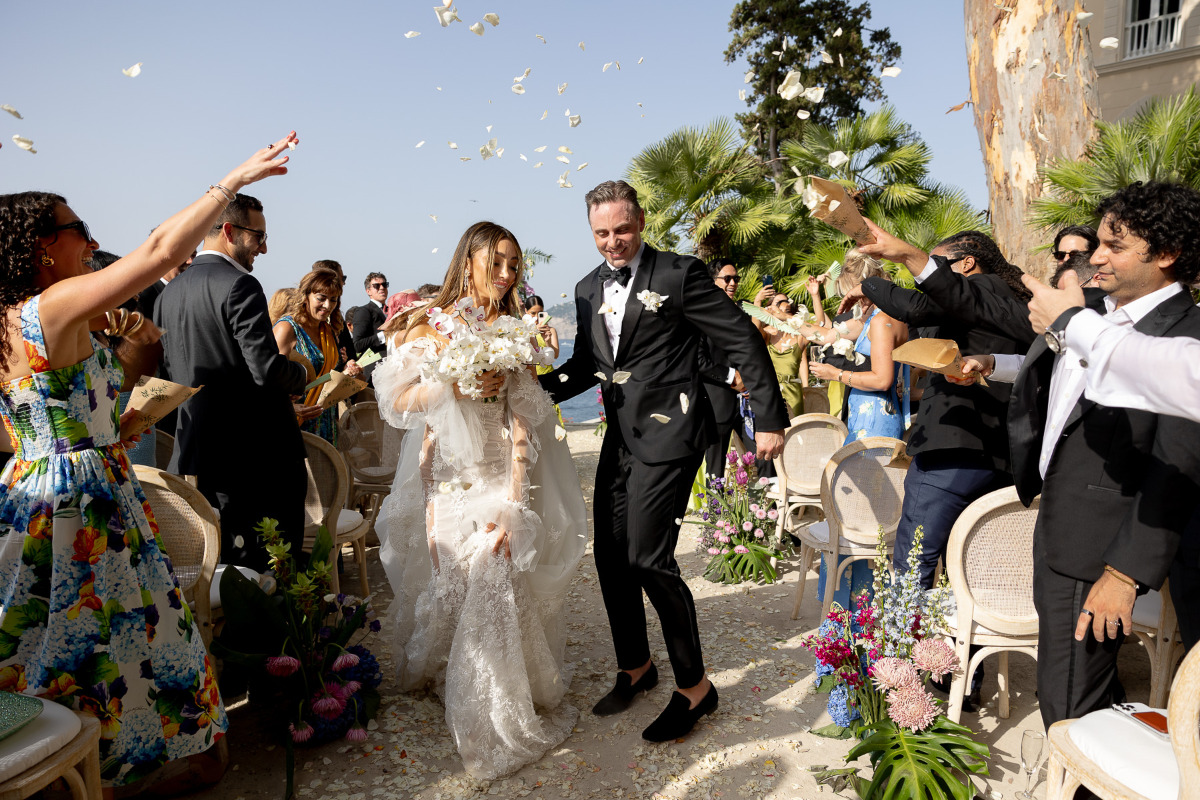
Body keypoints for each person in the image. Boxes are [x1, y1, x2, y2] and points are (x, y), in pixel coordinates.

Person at [0, 134, 291, 793]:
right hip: (83, 506)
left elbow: (27, 431)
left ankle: (76, 772)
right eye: (77, 228)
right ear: (44, 247)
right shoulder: (44, 309)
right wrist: (235, 177)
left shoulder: (7, 325)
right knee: (133, 632)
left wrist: (125, 415)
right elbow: (160, 252)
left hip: (35, 493)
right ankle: (122, 770)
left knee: (61, 644)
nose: (88, 237)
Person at [541, 181, 789, 742]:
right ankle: (637, 667)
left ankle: (696, 689)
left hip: (673, 432)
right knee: (609, 555)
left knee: (649, 558)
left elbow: (742, 337)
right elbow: (585, 364)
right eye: (602, 233)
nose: (613, 242)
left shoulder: (678, 274)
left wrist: (771, 418)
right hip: (619, 438)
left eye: (622, 229)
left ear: (641, 221)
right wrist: (525, 389)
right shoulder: (585, 289)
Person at [957, 181, 1200, 729]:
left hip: (1104, 548)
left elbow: (1179, 466)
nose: (1097, 255)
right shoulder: (1091, 311)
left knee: (1066, 704)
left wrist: (1124, 571)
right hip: (1061, 521)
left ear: (1165, 255)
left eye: (1116, 244)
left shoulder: (1187, 335)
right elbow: (1056, 367)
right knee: (1081, 684)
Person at [373, 221, 587, 780]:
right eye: (497, 261)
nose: (506, 273)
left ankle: (491, 714)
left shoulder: (514, 331)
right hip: (446, 476)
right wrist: (452, 384)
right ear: (468, 260)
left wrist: (517, 496)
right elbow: (398, 398)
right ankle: (439, 666)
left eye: (514, 264)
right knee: (455, 586)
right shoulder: (431, 323)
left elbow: (524, 419)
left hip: (499, 473)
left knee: (495, 574)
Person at [158, 182, 309, 572]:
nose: (264, 248)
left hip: (196, 449)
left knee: (218, 558)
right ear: (229, 232)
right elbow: (266, 370)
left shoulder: (167, 293)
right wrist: (301, 372)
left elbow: (166, 373)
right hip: (256, 455)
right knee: (269, 560)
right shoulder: (240, 284)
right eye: (259, 236)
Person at [274, 268, 362, 444]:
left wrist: (347, 370)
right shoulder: (287, 328)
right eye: (321, 298)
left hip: (325, 421)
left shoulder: (328, 330)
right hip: (292, 422)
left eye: (333, 300)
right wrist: (290, 408)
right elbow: (266, 378)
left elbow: (327, 375)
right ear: (305, 296)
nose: (327, 306)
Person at [697, 258, 746, 478]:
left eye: (736, 278)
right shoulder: (700, 316)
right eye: (727, 278)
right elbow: (699, 361)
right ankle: (717, 513)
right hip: (717, 403)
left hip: (748, 401)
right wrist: (732, 378)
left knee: (764, 460)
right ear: (712, 281)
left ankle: (764, 509)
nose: (733, 283)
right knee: (715, 471)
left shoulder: (742, 313)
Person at [752, 292, 808, 417]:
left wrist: (806, 387)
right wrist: (757, 302)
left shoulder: (799, 337)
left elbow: (819, 327)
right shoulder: (766, 334)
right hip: (771, 390)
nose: (781, 315)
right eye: (778, 311)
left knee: (795, 431)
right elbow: (754, 332)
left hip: (793, 391)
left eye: (786, 311)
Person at [523, 294, 560, 358]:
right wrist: (534, 330)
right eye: (533, 313)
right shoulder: (521, 329)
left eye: (540, 313)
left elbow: (555, 356)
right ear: (526, 311)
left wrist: (547, 341)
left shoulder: (550, 330)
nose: (536, 317)